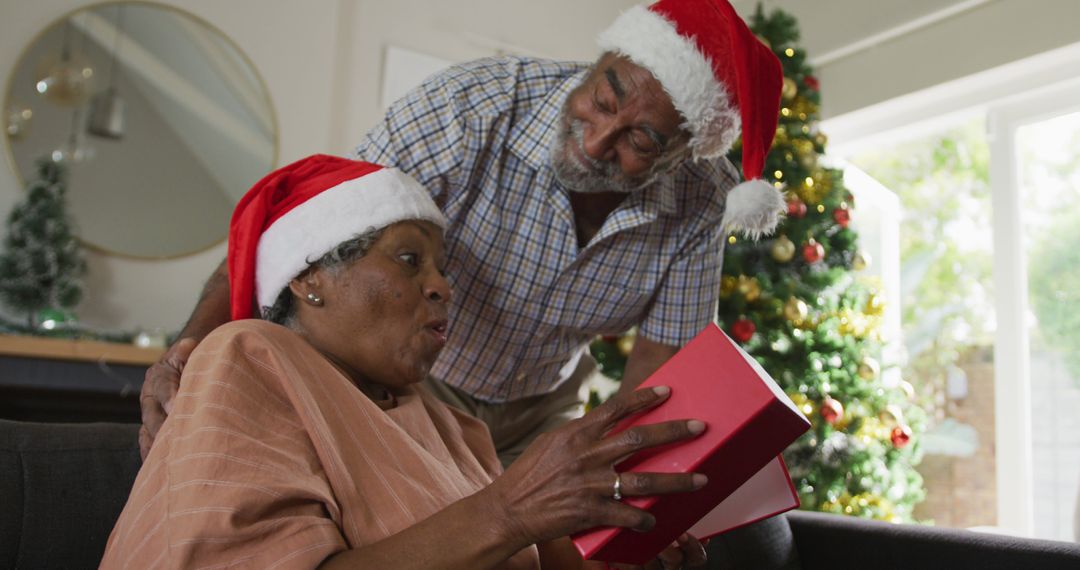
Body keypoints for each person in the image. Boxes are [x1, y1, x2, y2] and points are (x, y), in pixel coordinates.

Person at [139, 0, 785, 466]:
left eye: (640, 140)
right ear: (601, 61)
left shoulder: (703, 202)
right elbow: (302, 237)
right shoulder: (472, 107)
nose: (596, 140)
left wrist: (628, 484)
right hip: (405, 382)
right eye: (604, 98)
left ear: (683, 153)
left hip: (542, 408)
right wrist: (191, 345)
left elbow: (659, 369)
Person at [102, 155, 709, 569]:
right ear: (310, 277)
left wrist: (625, 554)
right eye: (409, 260)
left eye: (441, 268)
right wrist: (508, 509)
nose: (442, 285)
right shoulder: (248, 358)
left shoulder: (452, 426)